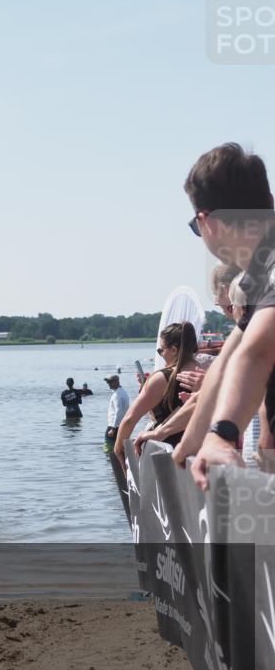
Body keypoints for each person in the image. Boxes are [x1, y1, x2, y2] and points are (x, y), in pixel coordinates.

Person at [169, 143, 275, 487]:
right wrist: (191, 442)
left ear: (207, 222)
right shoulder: (260, 270)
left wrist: (222, 434)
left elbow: (257, 352)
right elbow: (230, 359)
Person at [113, 322, 201, 467]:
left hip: (169, 454)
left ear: (174, 350)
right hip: (202, 450)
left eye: (161, 351)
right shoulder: (207, 371)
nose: (160, 355)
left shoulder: (162, 378)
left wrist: (118, 450)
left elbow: (129, 419)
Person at [103, 374, 130, 455]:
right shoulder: (123, 392)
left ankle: (110, 466)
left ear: (117, 382)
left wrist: (113, 429)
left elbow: (119, 412)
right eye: (108, 382)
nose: (109, 384)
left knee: (109, 449)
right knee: (119, 448)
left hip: (114, 426)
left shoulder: (117, 395)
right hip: (121, 425)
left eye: (110, 382)